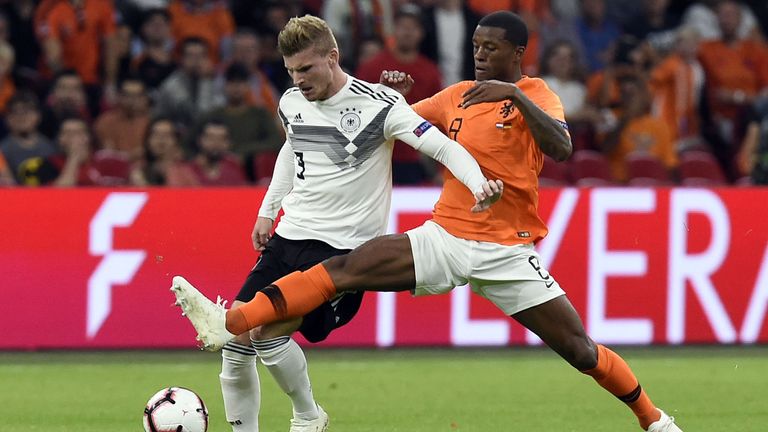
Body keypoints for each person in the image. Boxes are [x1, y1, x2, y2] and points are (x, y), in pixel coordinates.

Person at [171, 11, 684, 432]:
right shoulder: (456, 95)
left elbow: (563, 147)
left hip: (507, 250)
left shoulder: (537, 94)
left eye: (491, 47)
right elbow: (389, 126)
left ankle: (654, 419)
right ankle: (233, 320)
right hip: (444, 237)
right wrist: (393, 91)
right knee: (349, 268)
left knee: (579, 350)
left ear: (516, 54)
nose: (480, 54)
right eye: (477, 45)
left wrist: (517, 96)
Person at [175, 14, 501, 432]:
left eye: (306, 68)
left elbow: (442, 148)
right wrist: (268, 208)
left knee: (264, 334)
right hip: (289, 238)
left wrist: (478, 184)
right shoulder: (290, 102)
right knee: (236, 347)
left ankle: (308, 415)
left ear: (333, 56)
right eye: (291, 71)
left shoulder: (381, 105)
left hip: (342, 257)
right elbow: (292, 148)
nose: (298, 80)